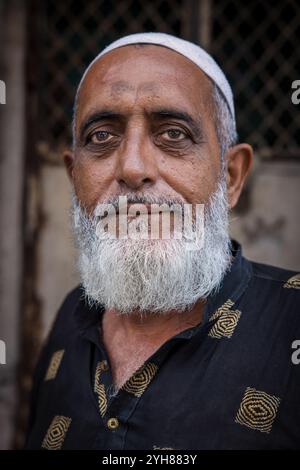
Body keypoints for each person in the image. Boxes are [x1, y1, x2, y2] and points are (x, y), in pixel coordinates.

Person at [25, 32, 300, 450]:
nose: (133, 168)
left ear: (230, 177)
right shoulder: (71, 317)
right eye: (102, 136)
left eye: (173, 134)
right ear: (74, 176)